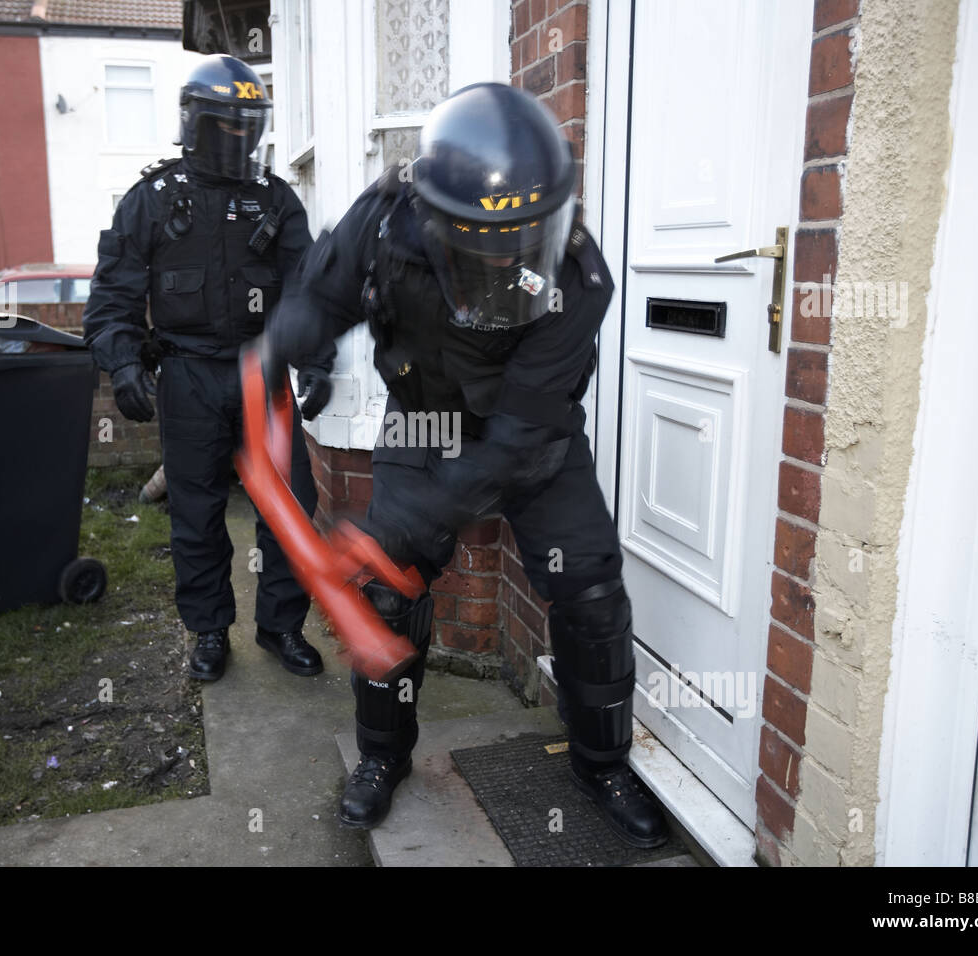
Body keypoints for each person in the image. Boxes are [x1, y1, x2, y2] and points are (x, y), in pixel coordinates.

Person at [263, 82, 669, 847]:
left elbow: (513, 447)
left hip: (529, 436)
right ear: (432, 219)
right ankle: (383, 758)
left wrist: (408, 520)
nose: (505, 270)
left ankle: (602, 762)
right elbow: (319, 298)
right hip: (426, 420)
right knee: (389, 592)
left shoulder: (579, 278)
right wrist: (273, 351)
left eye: (522, 246)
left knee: (590, 589)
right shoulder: (386, 223)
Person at [84, 54, 332, 682]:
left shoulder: (274, 201)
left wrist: (319, 363)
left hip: (262, 375)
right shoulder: (152, 200)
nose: (237, 139)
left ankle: (280, 627)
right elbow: (111, 299)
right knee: (195, 515)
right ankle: (209, 631)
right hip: (189, 376)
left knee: (291, 510)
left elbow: (307, 292)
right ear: (195, 124)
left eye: (247, 126)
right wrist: (123, 362)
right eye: (225, 125)